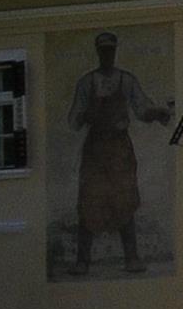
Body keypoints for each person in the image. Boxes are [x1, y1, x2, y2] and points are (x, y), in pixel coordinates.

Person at [67, 31, 171, 274]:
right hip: (95, 148)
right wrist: (87, 114)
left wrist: (157, 113)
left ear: (114, 52)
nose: (107, 55)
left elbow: (142, 108)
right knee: (89, 200)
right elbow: (73, 120)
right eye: (103, 51)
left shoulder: (126, 80)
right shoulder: (87, 83)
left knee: (124, 200)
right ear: (98, 52)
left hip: (119, 149)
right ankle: (83, 261)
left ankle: (132, 258)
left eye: (110, 50)